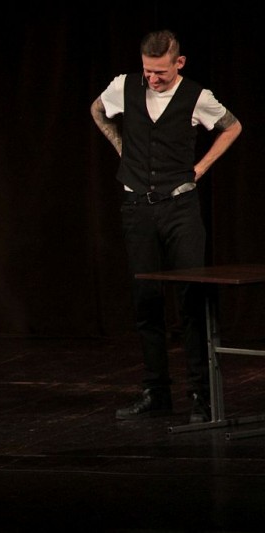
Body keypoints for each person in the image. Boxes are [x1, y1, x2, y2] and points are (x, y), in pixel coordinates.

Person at [90, 30, 242, 424]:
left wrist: (200, 168)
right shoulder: (124, 86)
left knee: (192, 300)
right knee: (146, 300)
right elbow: (97, 110)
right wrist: (123, 148)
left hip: (180, 209)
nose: (153, 79)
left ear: (179, 63)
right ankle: (156, 391)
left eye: (160, 72)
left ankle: (201, 395)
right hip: (137, 207)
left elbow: (232, 127)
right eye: (148, 71)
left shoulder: (197, 96)